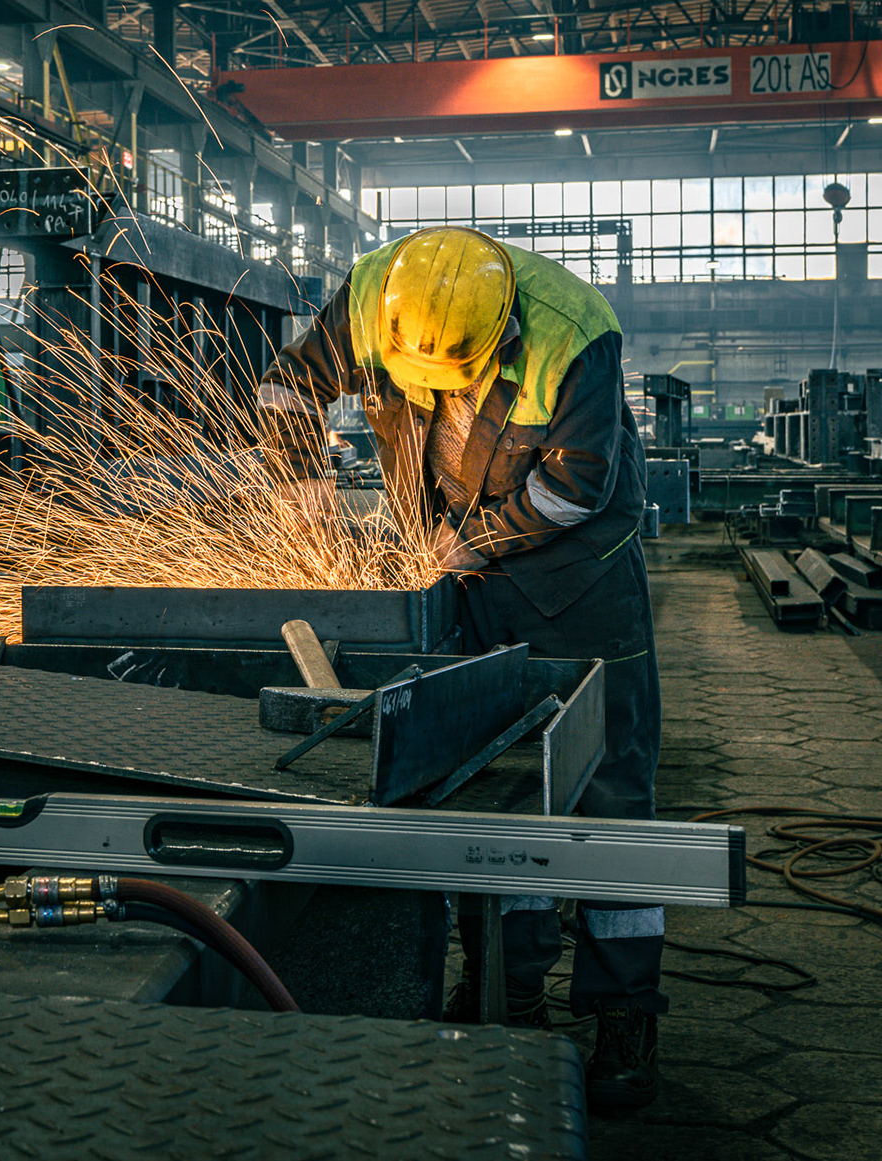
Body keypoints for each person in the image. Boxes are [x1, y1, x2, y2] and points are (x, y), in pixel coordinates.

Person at [255, 225, 664, 1114]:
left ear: (504, 335)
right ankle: (508, 993)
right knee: (488, 785)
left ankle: (625, 1012)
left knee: (610, 798)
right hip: (452, 573)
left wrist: (471, 539)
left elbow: (574, 487)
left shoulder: (575, 334)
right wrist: (303, 502)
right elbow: (285, 387)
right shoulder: (378, 294)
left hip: (577, 578)